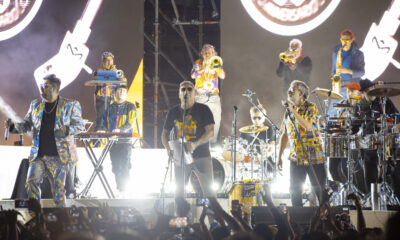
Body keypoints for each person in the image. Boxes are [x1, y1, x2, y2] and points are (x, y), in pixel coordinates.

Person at [5, 74, 84, 207]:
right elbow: (26, 125)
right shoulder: (35, 105)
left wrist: (67, 129)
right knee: (31, 183)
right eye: (42, 86)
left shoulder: (70, 105)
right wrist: (13, 127)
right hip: (39, 156)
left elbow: (80, 125)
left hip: (59, 157)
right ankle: (36, 216)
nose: (41, 89)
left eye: (45, 86)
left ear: (54, 88)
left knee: (58, 190)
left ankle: (62, 220)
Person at [161, 81, 215, 199]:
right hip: (181, 157)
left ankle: (214, 217)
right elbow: (164, 134)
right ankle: (181, 217)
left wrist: (195, 144)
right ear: (179, 94)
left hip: (201, 155)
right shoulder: (173, 112)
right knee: (179, 193)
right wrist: (168, 148)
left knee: (209, 192)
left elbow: (210, 131)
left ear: (195, 93)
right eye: (183, 89)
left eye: (190, 89)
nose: (186, 91)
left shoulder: (203, 109)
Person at [277, 80, 326, 207]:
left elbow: (308, 125)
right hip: (296, 158)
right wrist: (279, 157)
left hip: (314, 157)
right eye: (289, 88)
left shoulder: (311, 107)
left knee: (320, 191)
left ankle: (325, 221)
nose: (289, 91)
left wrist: (293, 111)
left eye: (293, 89)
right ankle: (297, 222)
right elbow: (285, 135)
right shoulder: (288, 111)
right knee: (294, 191)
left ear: (302, 93)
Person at [356, 79, 398, 193]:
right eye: (366, 91)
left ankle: (389, 194)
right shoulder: (360, 105)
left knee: (388, 169)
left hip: (384, 139)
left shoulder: (383, 101)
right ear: (363, 92)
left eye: (371, 89)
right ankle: (371, 196)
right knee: (369, 170)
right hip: (368, 141)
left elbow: (397, 116)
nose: (369, 92)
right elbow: (355, 124)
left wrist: (388, 120)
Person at [97, 84, 136, 195]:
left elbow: (131, 122)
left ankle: (126, 190)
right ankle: (119, 188)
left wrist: (120, 130)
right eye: (119, 91)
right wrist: (102, 130)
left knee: (125, 165)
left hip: (125, 142)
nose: (121, 93)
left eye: (124, 91)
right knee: (115, 166)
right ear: (114, 93)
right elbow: (103, 122)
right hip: (112, 142)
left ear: (126, 93)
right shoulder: (109, 108)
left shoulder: (130, 106)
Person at [191, 44, 225, 144]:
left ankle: (213, 144)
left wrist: (216, 68)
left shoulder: (216, 62)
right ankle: (201, 143)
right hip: (201, 96)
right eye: (205, 52)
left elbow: (222, 76)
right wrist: (203, 68)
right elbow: (193, 75)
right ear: (201, 53)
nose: (207, 54)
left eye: (209, 53)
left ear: (213, 53)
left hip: (213, 96)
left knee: (216, 120)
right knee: (200, 120)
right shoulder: (198, 63)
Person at [329, 29, 365, 115]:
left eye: (347, 40)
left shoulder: (358, 54)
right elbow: (333, 70)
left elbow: (362, 72)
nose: (344, 42)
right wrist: (334, 79)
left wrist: (347, 71)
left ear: (352, 40)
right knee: (332, 113)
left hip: (353, 87)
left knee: (356, 113)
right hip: (339, 86)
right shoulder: (336, 52)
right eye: (342, 40)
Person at [239, 105, 275, 177]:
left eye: (259, 117)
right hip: (250, 160)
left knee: (270, 168)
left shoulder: (269, 129)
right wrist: (249, 157)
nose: (256, 120)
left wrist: (262, 157)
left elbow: (272, 147)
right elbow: (241, 149)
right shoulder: (245, 131)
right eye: (254, 118)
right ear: (251, 117)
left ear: (264, 117)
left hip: (265, 159)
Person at [94, 52, 126, 128]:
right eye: (107, 60)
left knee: (112, 121)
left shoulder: (116, 71)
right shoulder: (98, 71)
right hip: (102, 99)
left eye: (111, 60)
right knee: (101, 121)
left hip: (113, 99)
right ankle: (97, 138)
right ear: (103, 62)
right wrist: (112, 73)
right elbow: (102, 79)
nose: (109, 62)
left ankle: (110, 138)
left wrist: (116, 73)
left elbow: (123, 81)